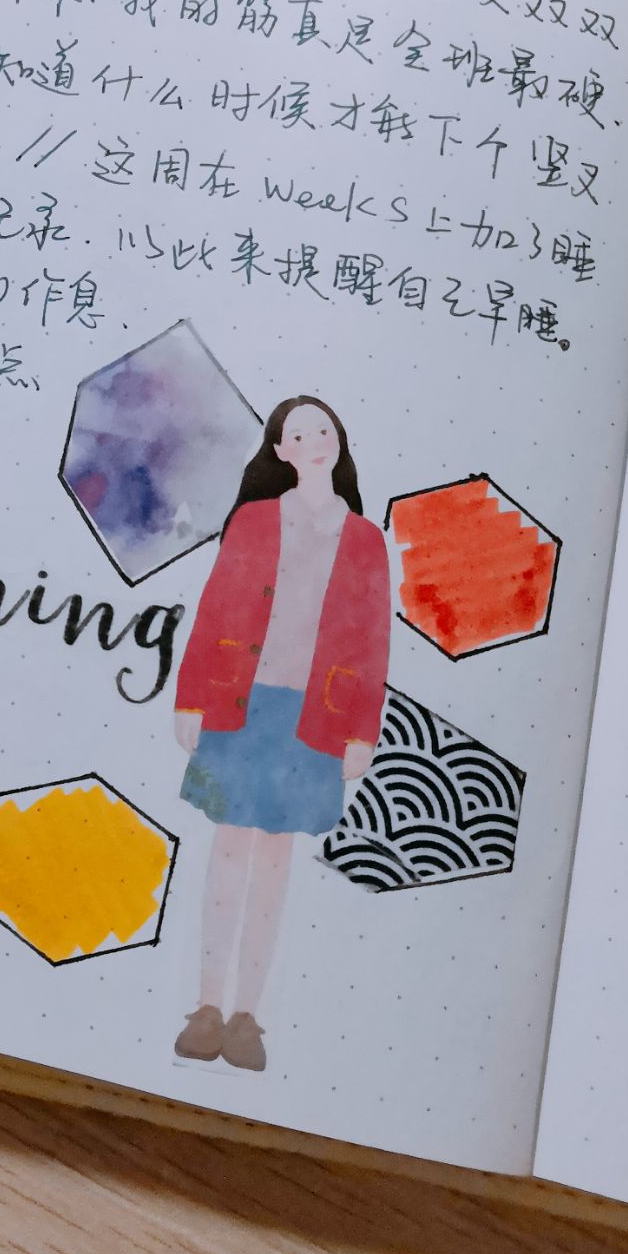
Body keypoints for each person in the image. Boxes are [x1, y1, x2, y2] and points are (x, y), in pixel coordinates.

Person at [172, 397, 390, 1071]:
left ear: (339, 442)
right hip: (242, 702)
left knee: (274, 860)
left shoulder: (364, 539)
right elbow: (214, 607)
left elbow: (373, 637)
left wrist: (363, 730)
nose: (315, 440)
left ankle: (246, 1017)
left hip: (315, 712)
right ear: (280, 451)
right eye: (299, 434)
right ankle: (207, 1006)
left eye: (324, 430)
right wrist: (190, 699)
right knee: (229, 849)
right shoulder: (254, 521)